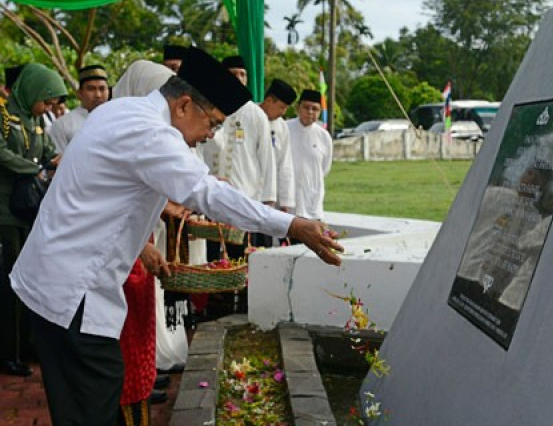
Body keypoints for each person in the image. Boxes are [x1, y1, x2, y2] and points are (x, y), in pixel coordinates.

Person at [10, 47, 342, 425]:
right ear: (184, 105)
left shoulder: (124, 111)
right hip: (72, 291)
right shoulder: (152, 133)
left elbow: (112, 192)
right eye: (213, 124)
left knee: (92, 396)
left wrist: (152, 228)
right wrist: (293, 225)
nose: (208, 137)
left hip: (57, 277)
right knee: (92, 401)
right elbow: (208, 194)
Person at [112, 61, 179, 423]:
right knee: (122, 346)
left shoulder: (148, 136)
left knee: (139, 338)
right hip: (117, 262)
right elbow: (110, 209)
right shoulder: (115, 137)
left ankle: (140, 393)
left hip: (139, 253)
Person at [0, 64, 67, 377]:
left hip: (31, 209)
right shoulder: (3, 115)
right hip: (6, 212)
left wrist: (58, 159)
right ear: (32, 92)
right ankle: (7, 353)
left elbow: (49, 151)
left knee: (31, 278)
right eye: (47, 100)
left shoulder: (36, 118)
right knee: (11, 281)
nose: (49, 107)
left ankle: (28, 345)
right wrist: (34, 168)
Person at [198, 55, 276, 259]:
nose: (239, 78)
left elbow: (266, 157)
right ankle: (216, 292)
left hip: (244, 195)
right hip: (211, 195)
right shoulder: (207, 107)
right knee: (212, 255)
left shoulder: (256, 114)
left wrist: (268, 198)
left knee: (239, 256)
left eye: (243, 74)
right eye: (234, 74)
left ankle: (241, 292)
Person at [287, 89, 333, 221]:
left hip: (312, 201)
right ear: (298, 108)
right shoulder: (284, 129)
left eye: (315, 109)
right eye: (306, 107)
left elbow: (324, 168)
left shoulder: (324, 136)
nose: (310, 112)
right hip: (288, 203)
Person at [48, 65, 110, 153]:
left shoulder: (118, 120)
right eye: (91, 89)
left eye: (102, 89)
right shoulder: (63, 125)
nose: (98, 95)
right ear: (79, 93)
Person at [260, 79, 298, 216]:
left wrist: (285, 201)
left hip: (270, 196)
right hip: (247, 193)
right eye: (281, 107)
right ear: (269, 101)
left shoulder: (282, 127)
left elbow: (285, 165)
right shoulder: (248, 118)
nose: (283, 112)